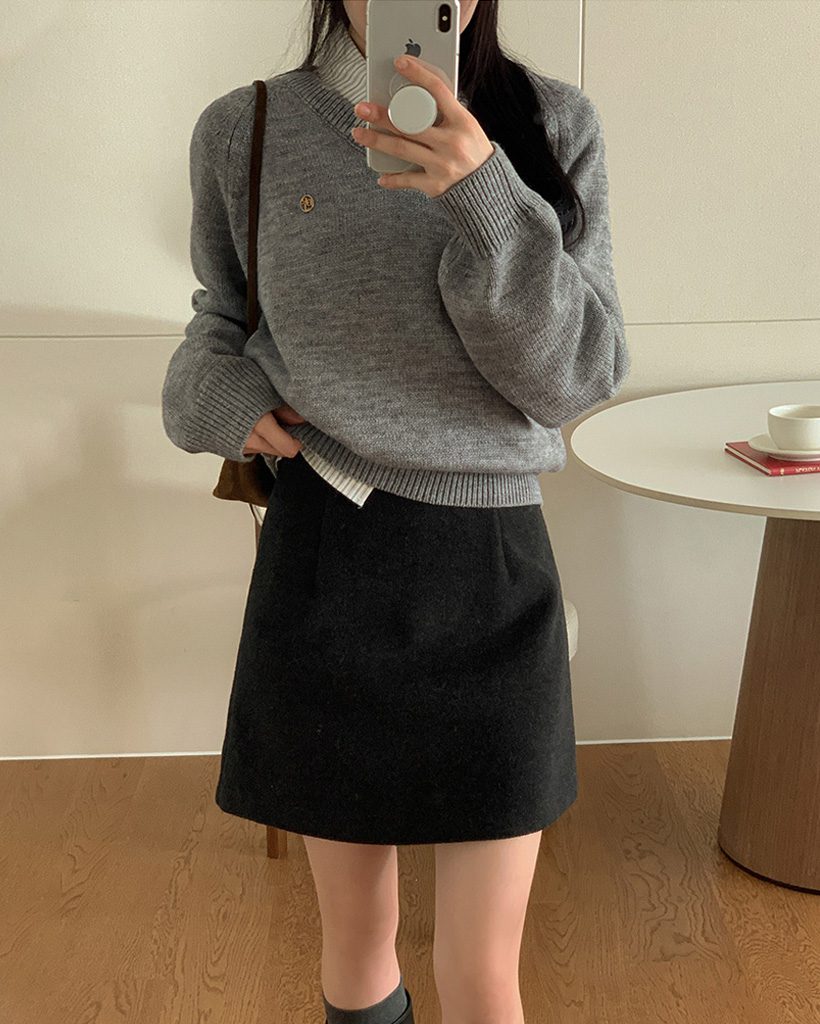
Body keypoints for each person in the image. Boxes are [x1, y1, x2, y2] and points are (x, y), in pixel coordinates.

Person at [160, 2, 630, 1023]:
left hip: (493, 567)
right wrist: (222, 400)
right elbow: (215, 327)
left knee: (483, 972)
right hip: (325, 549)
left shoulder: (553, 124)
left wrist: (484, 196)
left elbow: (577, 377)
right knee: (357, 944)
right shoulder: (245, 129)